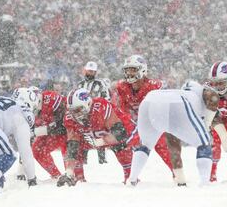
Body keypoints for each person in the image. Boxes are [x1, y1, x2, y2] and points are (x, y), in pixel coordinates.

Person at [128, 80, 219, 186]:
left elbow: (173, 146)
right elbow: (213, 97)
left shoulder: (185, 93)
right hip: (178, 103)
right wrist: (208, 122)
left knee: (145, 145)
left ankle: (133, 178)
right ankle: (205, 182)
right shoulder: (201, 92)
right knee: (204, 144)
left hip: (149, 100)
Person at [115, 55, 182, 185]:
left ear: (143, 70)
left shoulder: (154, 86)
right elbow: (123, 109)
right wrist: (129, 125)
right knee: (124, 143)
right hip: (133, 121)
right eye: (128, 70)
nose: (129, 73)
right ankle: (130, 176)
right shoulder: (122, 87)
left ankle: (177, 173)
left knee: (161, 145)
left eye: (133, 70)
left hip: (154, 121)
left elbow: (162, 108)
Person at [57, 88, 133, 186]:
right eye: (72, 111)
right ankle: (77, 178)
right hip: (92, 137)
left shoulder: (100, 107)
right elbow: (73, 146)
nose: (75, 114)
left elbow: (119, 132)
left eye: (78, 110)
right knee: (73, 146)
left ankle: (130, 177)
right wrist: (69, 171)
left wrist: (100, 142)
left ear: (88, 104)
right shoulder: (69, 118)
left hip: (113, 134)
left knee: (121, 146)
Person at [28, 87, 67, 179]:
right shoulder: (27, 110)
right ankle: (56, 175)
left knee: (68, 142)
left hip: (65, 128)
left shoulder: (50, 98)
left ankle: (71, 174)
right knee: (37, 149)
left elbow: (62, 124)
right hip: (50, 131)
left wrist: (38, 131)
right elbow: (25, 143)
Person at [77, 61, 110, 164]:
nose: (90, 73)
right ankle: (84, 159)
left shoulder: (100, 84)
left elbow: (106, 98)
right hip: (83, 113)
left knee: (99, 134)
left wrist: (101, 110)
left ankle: (102, 159)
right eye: (89, 71)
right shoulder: (80, 84)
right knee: (84, 135)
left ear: (95, 72)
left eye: (92, 71)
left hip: (96, 112)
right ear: (85, 70)